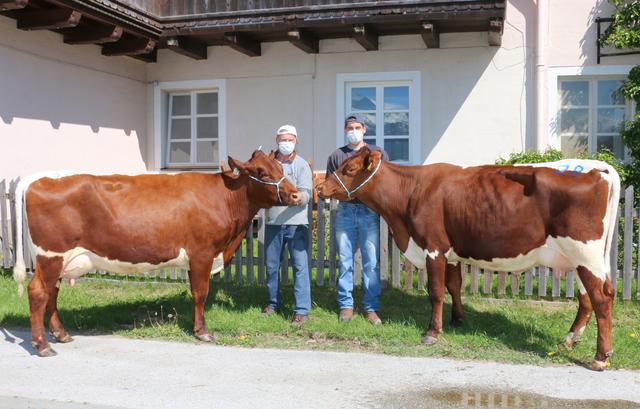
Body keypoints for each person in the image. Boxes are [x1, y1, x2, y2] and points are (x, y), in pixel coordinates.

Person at [325, 114, 389, 325]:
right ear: (345, 131)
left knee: (371, 262)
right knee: (345, 261)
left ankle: (371, 307)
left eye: (357, 127)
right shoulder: (336, 156)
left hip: (369, 212)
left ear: (364, 129)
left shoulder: (376, 154)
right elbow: (330, 186)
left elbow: (383, 182)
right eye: (349, 127)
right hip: (344, 212)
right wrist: (347, 195)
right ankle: (346, 305)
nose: (353, 130)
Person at [262, 124, 313, 327]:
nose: (286, 143)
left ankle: (301, 310)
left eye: (290, 140)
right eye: (283, 140)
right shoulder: (269, 164)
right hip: (274, 222)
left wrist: (299, 197)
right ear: (277, 140)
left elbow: (307, 193)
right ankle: (273, 304)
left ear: (296, 141)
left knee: (300, 267)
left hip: (297, 223)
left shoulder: (301, 165)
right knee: (271, 266)